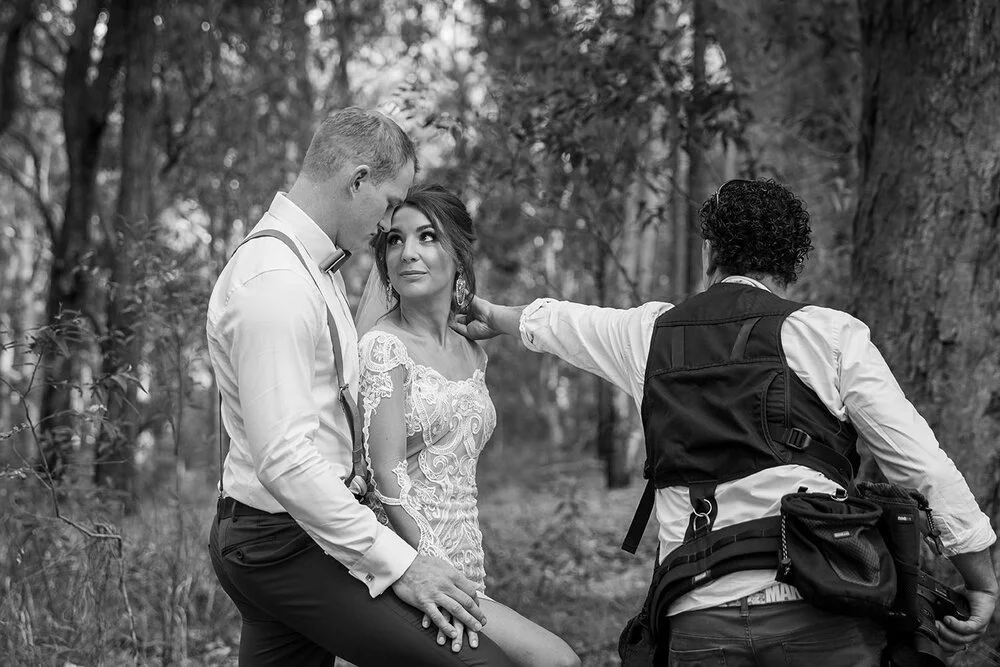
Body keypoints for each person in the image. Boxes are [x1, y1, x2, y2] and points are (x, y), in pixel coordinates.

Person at [453, 178, 998, 666]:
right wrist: (980, 580)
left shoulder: (655, 334)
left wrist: (491, 316)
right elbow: (922, 464)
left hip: (698, 613)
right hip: (822, 603)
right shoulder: (828, 335)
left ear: (710, 251)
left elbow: (565, 325)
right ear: (795, 263)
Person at [205, 107, 515, 666]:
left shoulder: (309, 268)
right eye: (392, 203)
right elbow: (285, 459)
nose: (388, 223)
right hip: (286, 542)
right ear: (358, 180)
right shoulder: (275, 283)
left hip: (282, 533)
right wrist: (400, 562)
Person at [354, 183, 580, 667]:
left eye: (427, 237)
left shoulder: (473, 351)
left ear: (457, 252)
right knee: (555, 661)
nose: (407, 253)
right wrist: (430, 568)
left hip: (467, 563)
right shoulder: (382, 347)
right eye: (395, 240)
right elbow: (387, 478)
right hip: (412, 566)